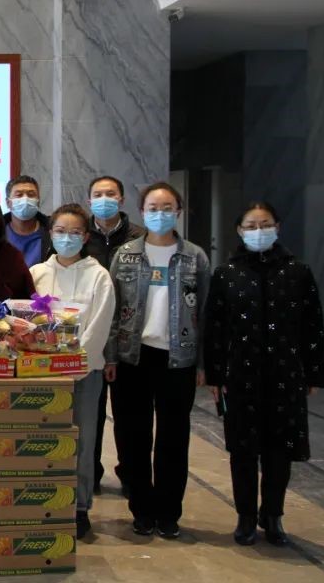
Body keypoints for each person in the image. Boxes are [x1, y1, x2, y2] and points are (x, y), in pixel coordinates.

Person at [203, 202, 324, 548]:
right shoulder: (227, 273)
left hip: (285, 372)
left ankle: (272, 514)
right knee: (243, 450)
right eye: (251, 226)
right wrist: (214, 374)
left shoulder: (298, 272)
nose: (259, 231)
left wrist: (313, 373)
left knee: (279, 449)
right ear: (239, 231)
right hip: (240, 373)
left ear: (277, 227)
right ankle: (245, 515)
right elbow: (215, 328)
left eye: (265, 224)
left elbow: (313, 325)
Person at [105, 181, 210, 540]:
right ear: (142, 211)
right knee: (133, 436)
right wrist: (111, 356)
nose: (160, 214)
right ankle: (141, 509)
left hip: (178, 359)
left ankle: (168, 512)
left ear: (178, 211)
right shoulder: (126, 255)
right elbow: (113, 309)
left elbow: (205, 312)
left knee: (173, 438)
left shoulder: (194, 257)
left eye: (167, 208)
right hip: (133, 356)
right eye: (153, 208)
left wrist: (202, 364)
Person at [30, 204, 115, 539]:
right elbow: (27, 320)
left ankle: (79, 506)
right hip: (42, 370)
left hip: (84, 371)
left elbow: (100, 323)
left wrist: (76, 360)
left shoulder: (99, 276)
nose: (67, 238)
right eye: (61, 231)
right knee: (43, 438)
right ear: (50, 234)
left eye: (75, 232)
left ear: (86, 236)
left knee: (81, 438)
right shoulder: (37, 272)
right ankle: (42, 500)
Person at [86, 175, 145, 496]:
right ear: (89, 200)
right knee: (90, 413)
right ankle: (90, 474)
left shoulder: (139, 237)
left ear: (121, 199)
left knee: (129, 416)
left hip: (127, 338)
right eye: (98, 194)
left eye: (110, 193)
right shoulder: (81, 235)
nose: (104, 199)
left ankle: (131, 474)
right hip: (92, 335)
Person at [3, 175, 52, 267]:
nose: (25, 199)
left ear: (38, 201)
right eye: (19, 195)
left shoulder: (52, 230)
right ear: (8, 203)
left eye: (31, 195)